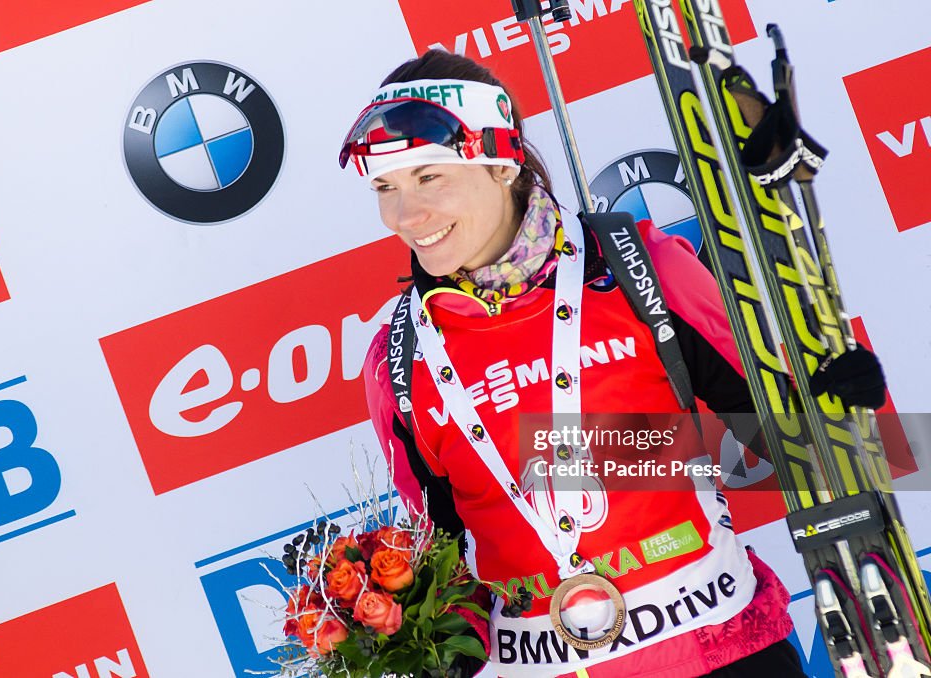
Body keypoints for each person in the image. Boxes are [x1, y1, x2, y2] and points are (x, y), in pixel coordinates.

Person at [342, 50, 886, 677]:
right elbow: (447, 563)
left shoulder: (636, 265)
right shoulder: (399, 355)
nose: (406, 217)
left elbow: (787, 443)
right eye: (386, 188)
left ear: (501, 161)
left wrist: (832, 401)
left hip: (721, 652)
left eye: (430, 178)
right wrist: (404, 627)